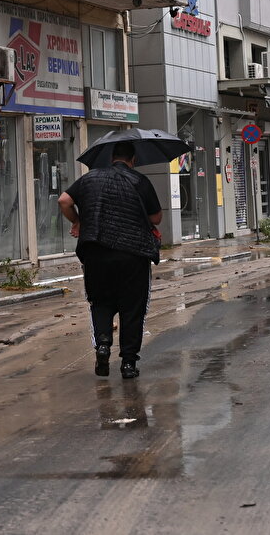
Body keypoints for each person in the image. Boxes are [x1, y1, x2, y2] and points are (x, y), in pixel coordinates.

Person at [57, 142, 162, 379]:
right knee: (132, 309)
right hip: (133, 255)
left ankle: (103, 345)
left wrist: (77, 221)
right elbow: (156, 217)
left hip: (96, 253)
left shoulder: (89, 179)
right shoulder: (140, 181)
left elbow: (64, 201)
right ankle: (128, 364)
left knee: (101, 302)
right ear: (132, 159)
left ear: (111, 158)